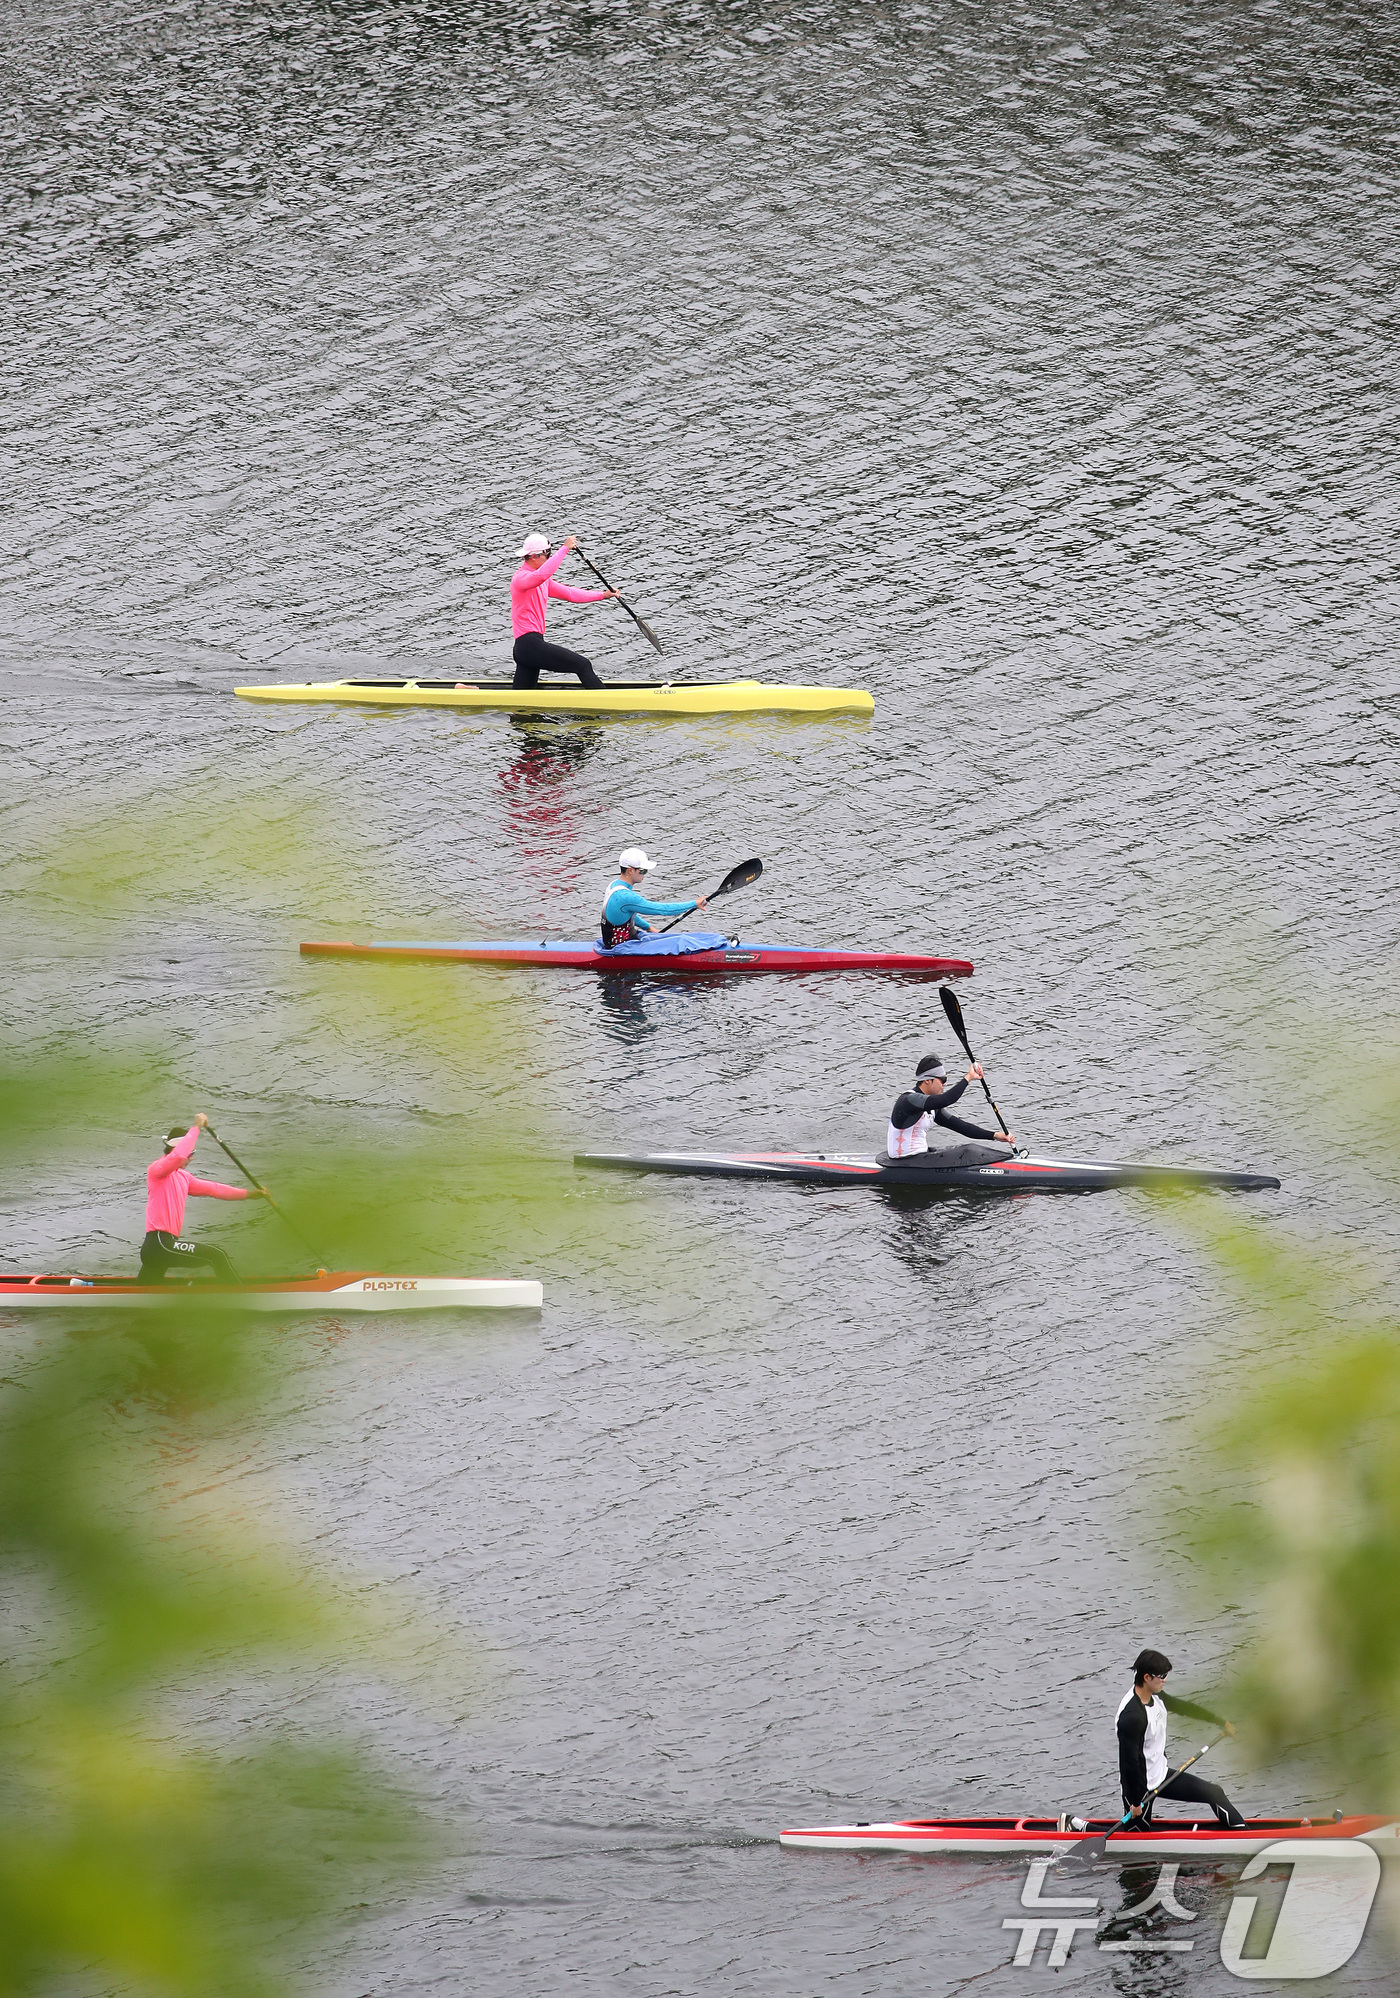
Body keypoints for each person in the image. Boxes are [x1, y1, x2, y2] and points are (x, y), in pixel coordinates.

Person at [1117, 1647, 1246, 1828]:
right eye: (1161, 1676)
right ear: (1147, 1677)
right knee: (1135, 1834)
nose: (1165, 1680)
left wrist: (1220, 1722)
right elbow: (1128, 1764)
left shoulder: (1156, 1696)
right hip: (1140, 1787)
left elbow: (1183, 1707)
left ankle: (1242, 1835)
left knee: (1214, 1793)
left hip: (1160, 1775)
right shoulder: (1132, 1717)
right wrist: (1135, 1801)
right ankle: (1077, 1826)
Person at [140, 1113, 268, 1283]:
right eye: (190, 1153)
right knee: (217, 1256)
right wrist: (196, 1127)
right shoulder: (157, 1171)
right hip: (159, 1244)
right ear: (177, 1148)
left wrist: (249, 1194)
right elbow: (178, 1156)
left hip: (164, 1246)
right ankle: (243, 1298)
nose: (191, 1158)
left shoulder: (184, 1178)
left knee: (144, 1291)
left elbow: (215, 1190)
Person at [510, 532, 616, 689]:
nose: (549, 557)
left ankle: (465, 691)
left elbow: (570, 594)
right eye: (548, 554)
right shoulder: (521, 578)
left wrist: (603, 595)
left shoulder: (542, 581)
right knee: (582, 665)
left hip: (530, 648)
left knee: (520, 697)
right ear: (534, 556)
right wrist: (564, 549)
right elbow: (542, 575)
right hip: (528, 646)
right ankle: (610, 702)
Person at [884, 1053, 1015, 1167]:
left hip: (918, 1158)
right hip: (905, 1162)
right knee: (967, 1152)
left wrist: (995, 1136)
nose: (944, 1084)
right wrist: (968, 1077)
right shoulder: (909, 1101)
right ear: (927, 1081)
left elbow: (961, 1126)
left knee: (966, 1150)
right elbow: (948, 1099)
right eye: (942, 1080)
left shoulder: (932, 1107)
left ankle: (1007, 1160)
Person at [600, 848, 710, 949]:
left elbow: (626, 915)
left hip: (625, 939)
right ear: (630, 871)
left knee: (677, 939)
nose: (645, 874)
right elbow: (663, 910)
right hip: (622, 948)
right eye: (643, 871)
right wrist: (694, 904)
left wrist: (649, 928)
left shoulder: (613, 885)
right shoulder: (625, 897)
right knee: (680, 941)